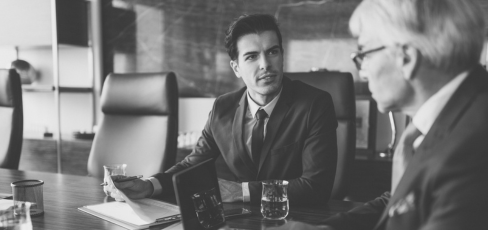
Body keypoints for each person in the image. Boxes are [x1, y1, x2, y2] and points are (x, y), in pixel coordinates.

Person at [270, 0, 488, 229]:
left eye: (364, 53)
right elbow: (398, 202)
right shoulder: (450, 119)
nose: (361, 72)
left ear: (407, 58)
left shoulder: (473, 146)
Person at [111, 14, 338, 205]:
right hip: (243, 221)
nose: (265, 65)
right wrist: (149, 186)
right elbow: (192, 164)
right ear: (236, 67)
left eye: (272, 52)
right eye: (251, 56)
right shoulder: (223, 107)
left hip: (297, 220)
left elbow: (315, 187)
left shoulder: (315, 104)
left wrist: (242, 191)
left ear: (282, 56)